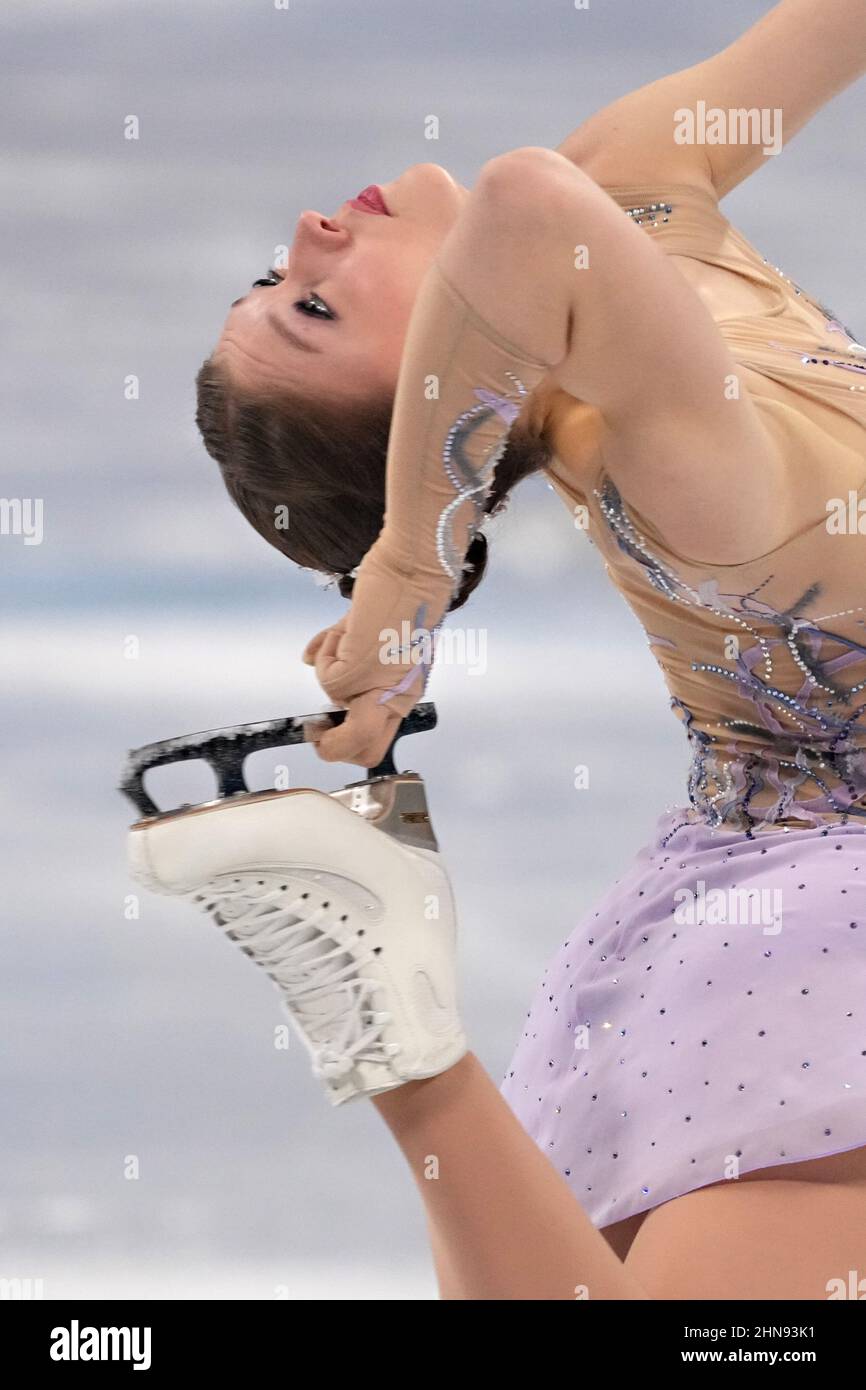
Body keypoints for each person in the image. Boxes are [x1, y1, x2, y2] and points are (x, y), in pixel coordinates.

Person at [190, 0, 866, 1298]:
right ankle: (402, 1052)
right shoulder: (670, 468)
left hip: (745, 881)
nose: (311, 229)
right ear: (441, 399)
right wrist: (407, 563)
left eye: (275, 286)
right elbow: (524, 209)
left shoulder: (636, 198)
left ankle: (401, 1045)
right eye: (317, 308)